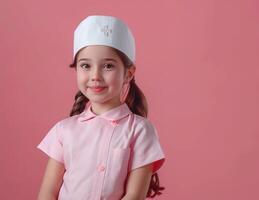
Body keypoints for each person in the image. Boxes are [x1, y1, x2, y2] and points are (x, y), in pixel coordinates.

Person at [36, 15, 166, 200]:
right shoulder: (64, 130)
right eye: (86, 65)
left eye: (107, 66)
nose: (95, 75)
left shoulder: (140, 130)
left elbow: (134, 195)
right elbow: (47, 193)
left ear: (128, 73)